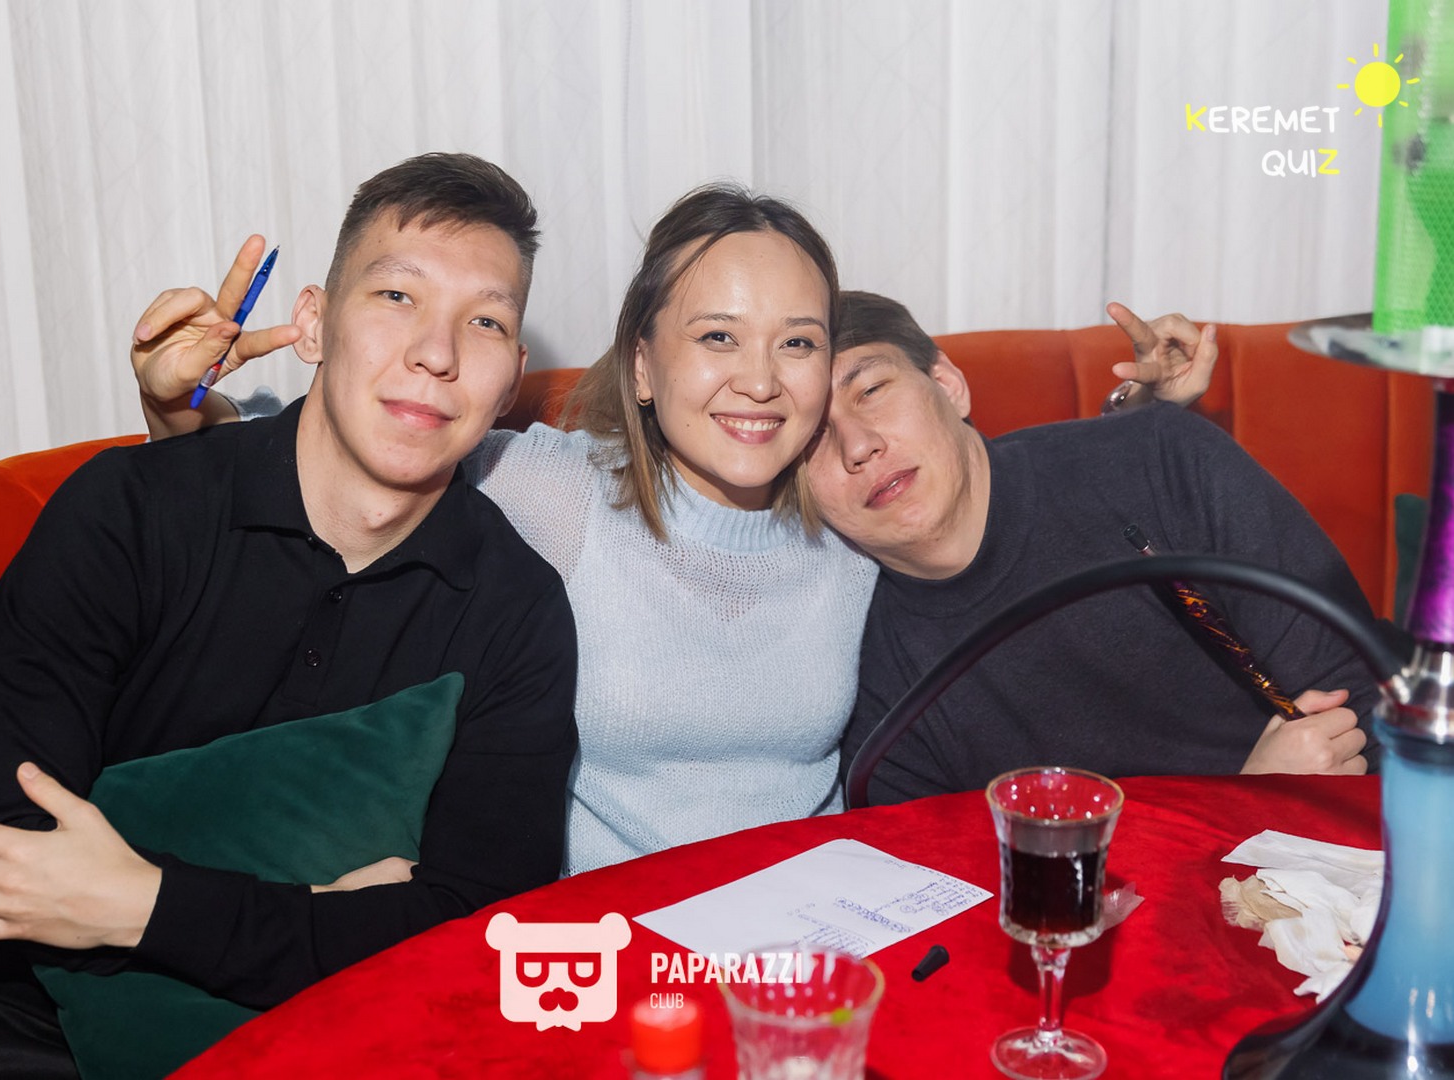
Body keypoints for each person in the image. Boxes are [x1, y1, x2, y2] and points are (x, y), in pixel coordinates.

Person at [133, 186, 1217, 874]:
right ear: (644, 367)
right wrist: (181, 410)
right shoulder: (556, 494)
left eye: (797, 343)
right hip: (611, 956)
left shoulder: (851, 512)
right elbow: (349, 471)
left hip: (818, 941)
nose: (760, 380)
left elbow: (1000, 509)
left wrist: (1146, 419)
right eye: (717, 338)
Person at [0, 153, 578, 1076]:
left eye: (486, 320)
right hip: (49, 1036)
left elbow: (484, 933)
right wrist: (323, 911)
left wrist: (139, 903)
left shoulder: (518, 607)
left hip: (356, 1039)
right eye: (396, 296)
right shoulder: (129, 513)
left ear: (509, 380)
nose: (438, 352)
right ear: (313, 324)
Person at [807, 290, 1376, 804]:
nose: (858, 446)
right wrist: (1240, 803)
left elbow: (1357, 705)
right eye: (813, 437)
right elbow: (941, 874)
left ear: (947, 385)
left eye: (872, 390)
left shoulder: (1160, 460)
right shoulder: (862, 677)